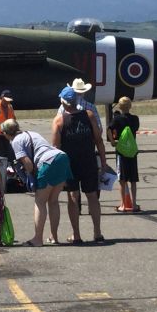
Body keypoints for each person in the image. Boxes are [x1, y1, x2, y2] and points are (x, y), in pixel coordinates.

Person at [1, 119, 73, 246]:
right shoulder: (32, 133)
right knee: (53, 201)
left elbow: (27, 163)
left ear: (6, 133)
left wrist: (30, 177)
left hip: (47, 162)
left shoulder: (15, 141)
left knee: (40, 201)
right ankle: (54, 237)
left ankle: (38, 239)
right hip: (62, 157)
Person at [52, 87, 107, 244]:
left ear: (63, 101)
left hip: (70, 164)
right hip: (88, 161)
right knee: (92, 196)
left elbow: (55, 148)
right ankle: (97, 232)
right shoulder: (88, 115)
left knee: (73, 197)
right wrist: (103, 161)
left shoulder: (59, 120)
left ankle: (76, 234)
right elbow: (99, 140)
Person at [108, 97, 141, 212]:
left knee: (122, 180)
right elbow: (135, 129)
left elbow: (109, 128)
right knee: (133, 179)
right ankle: (134, 204)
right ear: (130, 106)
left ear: (119, 107)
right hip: (132, 151)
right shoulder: (135, 119)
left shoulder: (117, 119)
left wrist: (112, 141)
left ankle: (123, 204)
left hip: (121, 151)